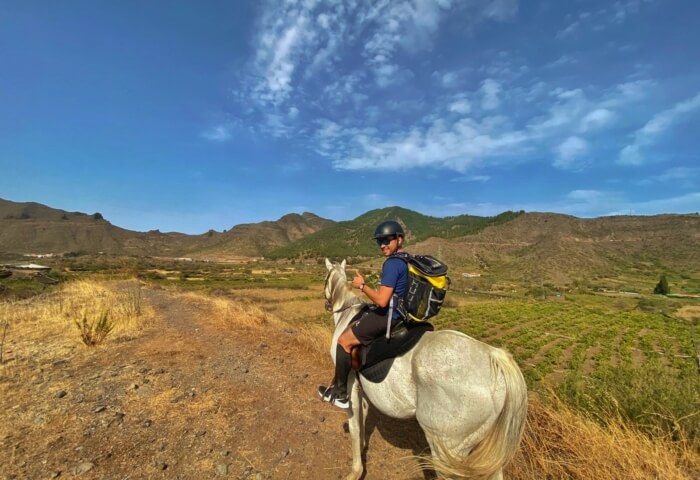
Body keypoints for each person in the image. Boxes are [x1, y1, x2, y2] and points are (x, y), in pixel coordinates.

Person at [318, 220, 408, 408]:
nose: (382, 245)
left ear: (399, 239)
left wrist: (362, 286)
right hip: (402, 312)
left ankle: (341, 394)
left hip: (389, 316)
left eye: (387, 240)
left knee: (344, 340)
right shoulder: (406, 259)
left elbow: (382, 301)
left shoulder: (391, 264)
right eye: (379, 241)